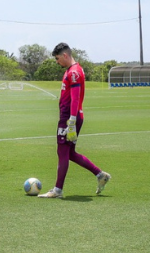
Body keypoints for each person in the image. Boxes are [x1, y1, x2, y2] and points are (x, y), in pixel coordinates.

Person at [39, 42, 111, 198]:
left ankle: (57, 190)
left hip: (69, 118)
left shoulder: (74, 72)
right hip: (70, 117)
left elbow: (75, 98)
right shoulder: (72, 70)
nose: (57, 62)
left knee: (62, 151)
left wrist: (71, 122)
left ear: (65, 55)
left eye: (58, 59)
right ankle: (100, 175)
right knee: (69, 153)